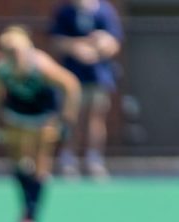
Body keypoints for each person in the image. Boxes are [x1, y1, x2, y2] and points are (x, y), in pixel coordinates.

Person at [0, 26, 80, 222]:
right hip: (15, 115)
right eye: (10, 52)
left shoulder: (42, 66)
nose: (16, 57)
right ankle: (26, 209)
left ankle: (30, 218)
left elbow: (71, 85)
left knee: (40, 166)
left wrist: (67, 119)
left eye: (19, 52)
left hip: (43, 117)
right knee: (18, 163)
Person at [48, 0, 124, 179]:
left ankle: (94, 160)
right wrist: (76, 47)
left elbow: (114, 43)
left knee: (96, 118)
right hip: (72, 77)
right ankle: (68, 159)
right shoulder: (65, 11)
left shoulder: (105, 11)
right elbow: (56, 41)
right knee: (71, 117)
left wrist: (101, 45)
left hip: (98, 76)